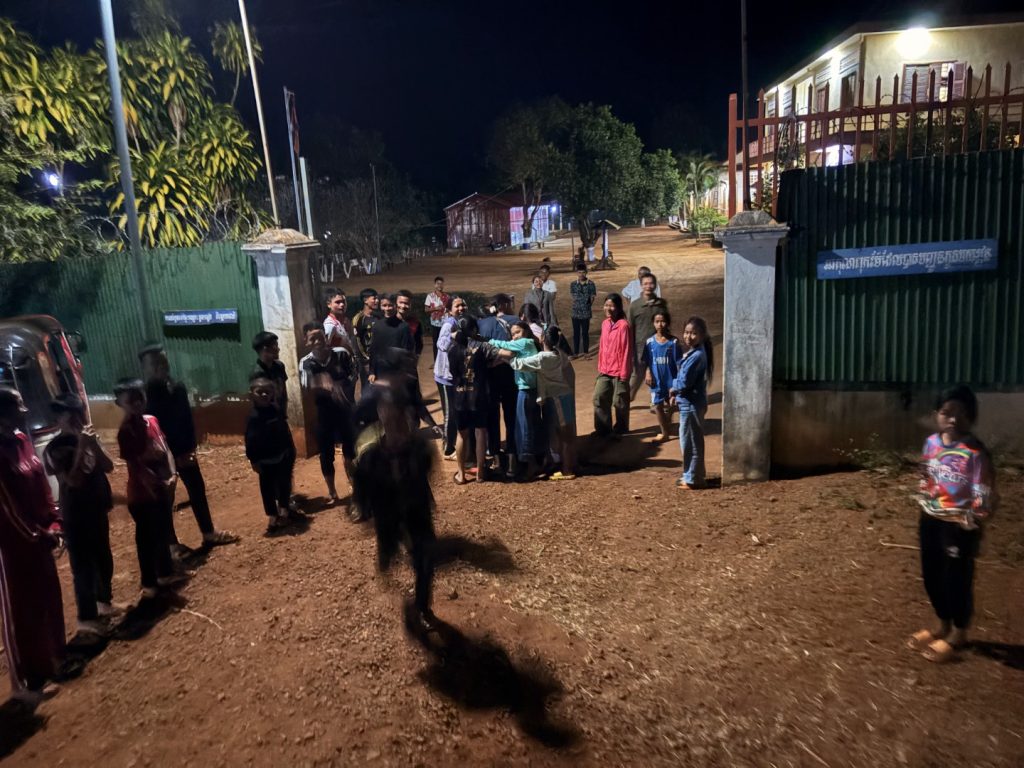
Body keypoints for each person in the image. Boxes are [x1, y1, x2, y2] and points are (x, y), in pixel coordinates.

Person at [908, 386, 996, 663]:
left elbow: (983, 490)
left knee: (956, 578)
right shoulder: (931, 443)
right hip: (930, 519)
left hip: (959, 525)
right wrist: (923, 494)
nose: (954, 419)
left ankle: (959, 632)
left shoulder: (975, 452)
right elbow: (926, 472)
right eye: (947, 412)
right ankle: (942, 624)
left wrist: (975, 518)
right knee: (931, 574)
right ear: (937, 414)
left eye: (962, 413)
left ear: (972, 417)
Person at [0, 387, 66, 705]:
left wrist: (54, 522)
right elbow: (6, 509)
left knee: (46, 602)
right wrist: (38, 536)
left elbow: (42, 486)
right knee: (21, 611)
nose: (25, 410)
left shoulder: (22, 441)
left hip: (40, 539)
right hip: (14, 548)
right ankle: (24, 683)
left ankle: (46, 665)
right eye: (18, 406)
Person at [354, 383, 438, 629]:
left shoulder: (420, 449)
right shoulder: (370, 455)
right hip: (388, 516)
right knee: (390, 554)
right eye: (389, 412)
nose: (397, 418)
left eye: (401, 412)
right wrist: (364, 508)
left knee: (425, 559)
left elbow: (425, 475)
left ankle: (422, 606)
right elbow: (362, 487)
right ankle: (390, 553)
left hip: (417, 512)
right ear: (381, 414)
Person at [140, 345, 238, 551]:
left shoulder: (178, 388)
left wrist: (190, 448)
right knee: (166, 498)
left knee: (197, 490)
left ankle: (208, 533)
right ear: (144, 368)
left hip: (184, 451)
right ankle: (171, 544)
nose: (161, 367)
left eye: (163, 362)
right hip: (161, 456)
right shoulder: (143, 398)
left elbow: (186, 421)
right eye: (155, 363)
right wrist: (166, 458)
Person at [43, 394, 117, 635]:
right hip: (76, 516)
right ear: (59, 418)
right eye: (70, 414)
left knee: (104, 560)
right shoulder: (57, 448)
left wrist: (91, 444)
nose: (77, 418)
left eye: (79, 412)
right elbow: (73, 481)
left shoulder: (87, 438)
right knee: (83, 569)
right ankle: (86, 618)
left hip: (97, 511)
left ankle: (104, 604)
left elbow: (108, 467)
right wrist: (83, 445)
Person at [115, 378, 185, 597]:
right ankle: (149, 583)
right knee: (146, 540)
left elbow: (166, 448)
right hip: (143, 494)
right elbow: (136, 466)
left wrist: (173, 474)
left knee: (162, 532)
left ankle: (164, 574)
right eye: (131, 400)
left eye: (139, 397)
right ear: (120, 404)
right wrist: (158, 484)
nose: (137, 403)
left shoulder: (152, 420)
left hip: (162, 487)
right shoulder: (126, 432)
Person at [503, 326, 578, 480]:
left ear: (543, 338)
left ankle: (567, 470)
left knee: (565, 435)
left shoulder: (543, 358)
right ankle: (566, 465)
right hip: (564, 395)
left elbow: (517, 364)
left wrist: (499, 352)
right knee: (564, 434)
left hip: (557, 397)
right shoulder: (560, 354)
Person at [299, 323, 356, 506]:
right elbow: (306, 388)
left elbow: (353, 376)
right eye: (312, 338)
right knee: (326, 454)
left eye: (320, 336)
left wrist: (340, 387)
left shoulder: (341, 354)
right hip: (323, 414)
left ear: (326, 336)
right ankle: (332, 492)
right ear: (306, 341)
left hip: (345, 411)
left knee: (350, 451)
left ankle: (354, 487)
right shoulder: (306, 363)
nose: (317, 341)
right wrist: (322, 385)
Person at [245, 374, 298, 533]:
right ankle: (272, 516)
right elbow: (250, 441)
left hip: (282, 457)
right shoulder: (253, 418)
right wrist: (253, 460)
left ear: (273, 394)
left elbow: (284, 432)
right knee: (267, 489)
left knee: (284, 484)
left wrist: (289, 451)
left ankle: (284, 511)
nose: (264, 395)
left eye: (267, 392)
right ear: (251, 395)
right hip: (264, 461)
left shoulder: (276, 411)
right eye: (259, 392)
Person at [489, 322, 542, 480]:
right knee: (529, 425)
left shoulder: (525, 342)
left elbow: (504, 345)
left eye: (518, 332)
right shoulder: (528, 344)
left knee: (525, 427)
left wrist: (487, 341)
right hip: (528, 390)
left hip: (526, 391)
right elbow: (514, 360)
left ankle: (529, 465)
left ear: (526, 331)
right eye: (513, 334)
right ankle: (533, 461)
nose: (515, 336)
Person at [670, 316, 713, 490]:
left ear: (702, 335)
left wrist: (673, 388)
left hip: (691, 404)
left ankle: (693, 478)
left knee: (691, 443)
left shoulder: (697, 356)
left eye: (693, 333)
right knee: (691, 440)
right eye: (686, 332)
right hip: (690, 403)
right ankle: (694, 474)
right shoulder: (696, 352)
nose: (689, 336)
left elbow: (684, 382)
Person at [448, 316, 492, 484]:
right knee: (480, 432)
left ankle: (461, 475)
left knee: (461, 435)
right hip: (478, 396)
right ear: (474, 330)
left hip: (460, 396)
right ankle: (480, 473)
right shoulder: (481, 347)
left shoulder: (452, 349)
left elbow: (452, 372)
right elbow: (497, 357)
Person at [477, 294, 518, 473]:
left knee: (492, 417)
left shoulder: (480, 325)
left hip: (489, 377)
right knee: (511, 416)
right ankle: (513, 458)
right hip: (510, 375)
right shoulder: (514, 321)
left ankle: (496, 459)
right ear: (503, 305)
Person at [642, 310, 685, 442]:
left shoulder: (673, 342)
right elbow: (647, 361)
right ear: (653, 323)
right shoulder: (649, 342)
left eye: (663, 321)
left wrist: (678, 381)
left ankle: (669, 420)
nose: (660, 324)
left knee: (671, 404)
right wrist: (648, 373)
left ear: (667, 323)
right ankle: (664, 433)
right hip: (656, 380)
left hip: (671, 380)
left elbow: (679, 363)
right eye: (657, 322)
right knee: (657, 406)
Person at [593, 294, 633, 436]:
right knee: (599, 397)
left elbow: (626, 350)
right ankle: (603, 429)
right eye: (606, 305)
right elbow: (602, 346)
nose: (608, 308)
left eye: (611, 306)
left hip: (619, 371)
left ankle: (621, 430)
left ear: (618, 308)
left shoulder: (624, 326)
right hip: (605, 370)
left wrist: (624, 374)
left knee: (619, 402)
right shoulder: (605, 324)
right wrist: (601, 366)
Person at [627, 273, 670, 402]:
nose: (648, 286)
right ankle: (626, 399)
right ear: (641, 286)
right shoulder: (634, 306)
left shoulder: (661, 304)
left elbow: (666, 324)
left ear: (655, 285)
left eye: (651, 283)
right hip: (640, 348)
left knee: (659, 373)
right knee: (637, 375)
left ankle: (658, 402)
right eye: (645, 284)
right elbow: (629, 328)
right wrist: (630, 350)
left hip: (658, 346)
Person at [433, 296, 467, 460]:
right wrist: (453, 336)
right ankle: (447, 449)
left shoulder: (460, 322)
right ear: (448, 310)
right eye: (457, 306)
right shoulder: (449, 324)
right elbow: (441, 344)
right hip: (445, 376)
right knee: (450, 412)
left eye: (462, 305)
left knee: (455, 410)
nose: (461, 308)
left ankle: (453, 443)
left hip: (454, 375)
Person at [368, 294, 414, 382]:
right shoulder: (377, 326)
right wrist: (372, 371)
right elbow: (374, 349)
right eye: (384, 305)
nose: (387, 308)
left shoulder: (404, 326)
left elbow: (407, 351)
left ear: (395, 306)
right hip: (381, 370)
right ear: (380, 306)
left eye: (390, 305)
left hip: (398, 371)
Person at [251, 331, 288, 415]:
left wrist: (284, 411)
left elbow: (284, 392)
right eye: (275, 345)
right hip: (266, 416)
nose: (278, 349)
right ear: (265, 349)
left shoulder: (279, 366)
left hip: (280, 415)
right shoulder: (257, 373)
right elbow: (259, 402)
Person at [353, 288, 380, 391]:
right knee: (367, 388)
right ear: (365, 300)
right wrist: (365, 359)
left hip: (379, 359)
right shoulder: (358, 319)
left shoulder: (378, 316)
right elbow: (356, 342)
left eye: (377, 298)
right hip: (366, 361)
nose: (377, 301)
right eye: (374, 298)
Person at [569, 264, 597, 355]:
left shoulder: (591, 284)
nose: (581, 274)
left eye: (583, 272)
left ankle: (586, 352)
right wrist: (583, 300)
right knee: (576, 333)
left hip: (586, 313)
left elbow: (592, 297)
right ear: (577, 273)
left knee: (585, 333)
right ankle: (576, 353)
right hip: (575, 313)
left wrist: (587, 305)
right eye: (579, 272)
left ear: (586, 272)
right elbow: (573, 297)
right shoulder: (573, 284)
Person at [424, 276, 450, 362]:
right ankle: (436, 361)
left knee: (446, 342)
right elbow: (426, 310)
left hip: (445, 324)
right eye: (438, 283)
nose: (440, 285)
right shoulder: (430, 296)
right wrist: (436, 308)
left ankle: (445, 361)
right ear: (435, 285)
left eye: (441, 284)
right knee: (436, 343)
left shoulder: (447, 297)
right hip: (435, 323)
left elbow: (450, 309)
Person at [396, 289, 424, 358]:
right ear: (396, 303)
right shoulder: (388, 322)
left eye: (406, 303)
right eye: (400, 302)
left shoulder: (415, 323)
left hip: (408, 361)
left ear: (410, 305)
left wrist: (416, 357)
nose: (403, 306)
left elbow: (419, 343)